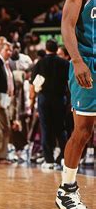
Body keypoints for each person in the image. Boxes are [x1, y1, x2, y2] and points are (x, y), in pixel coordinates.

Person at [55, 0, 96, 209]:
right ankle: (67, 189)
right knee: (83, 130)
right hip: (88, 62)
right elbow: (67, 26)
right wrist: (78, 60)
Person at [30, 39, 69, 169]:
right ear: (57, 48)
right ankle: (64, 157)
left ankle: (49, 160)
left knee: (46, 129)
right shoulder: (65, 63)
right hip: (59, 99)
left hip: (44, 99)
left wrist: (33, 99)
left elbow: (34, 83)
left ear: (46, 48)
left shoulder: (39, 63)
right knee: (60, 129)